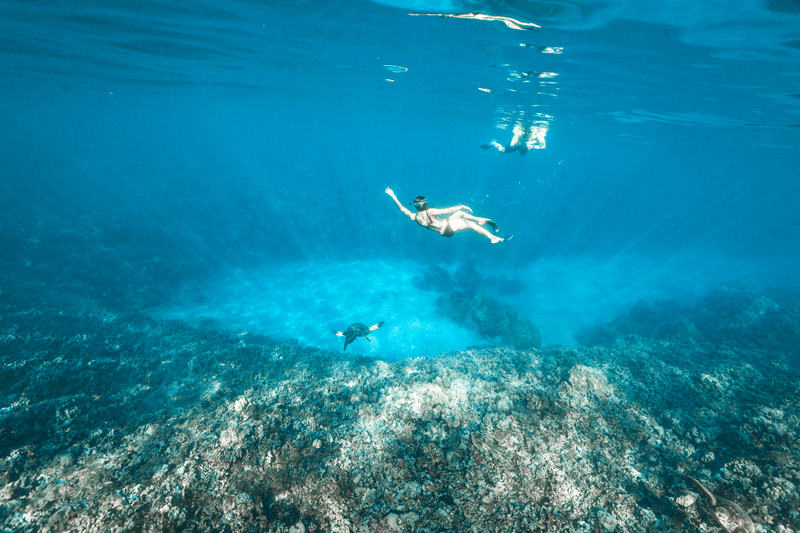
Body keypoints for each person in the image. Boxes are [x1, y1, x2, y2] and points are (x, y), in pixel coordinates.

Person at [385, 187, 508, 244]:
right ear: (423, 203)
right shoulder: (430, 211)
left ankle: (480, 220)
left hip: (444, 232)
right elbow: (446, 210)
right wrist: (460, 205)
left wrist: (393, 196)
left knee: (460, 214)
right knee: (470, 223)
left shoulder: (414, 217)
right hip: (447, 226)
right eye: (425, 201)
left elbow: (402, 209)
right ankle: (492, 237)